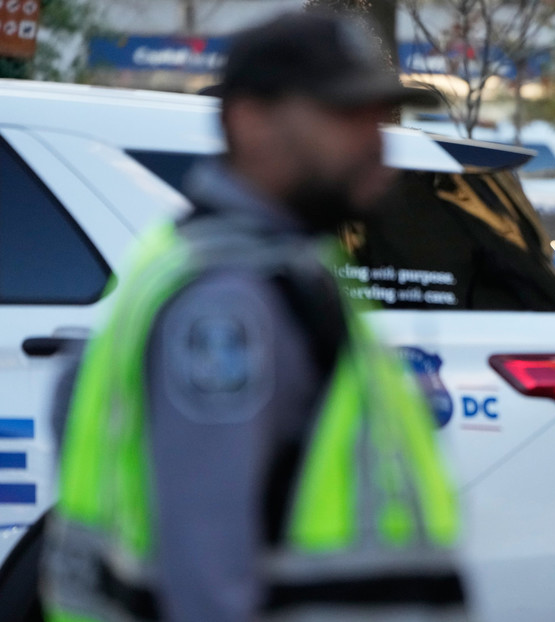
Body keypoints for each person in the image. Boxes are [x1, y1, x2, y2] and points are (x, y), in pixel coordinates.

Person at [40, 10, 467, 622]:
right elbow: (206, 577)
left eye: (378, 116)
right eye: (345, 116)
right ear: (251, 123)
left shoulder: (274, 267)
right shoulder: (228, 301)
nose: (376, 141)